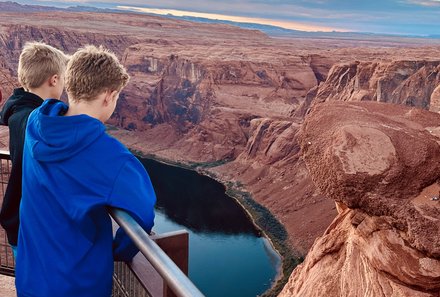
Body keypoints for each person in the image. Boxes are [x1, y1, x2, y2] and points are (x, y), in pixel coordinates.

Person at [15, 45, 156, 297]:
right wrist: (117, 251)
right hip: (78, 286)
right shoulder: (113, 157)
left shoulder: (36, 122)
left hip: (31, 277)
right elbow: (144, 214)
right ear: (109, 96)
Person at [0, 42, 69, 258]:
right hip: (34, 224)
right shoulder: (40, 121)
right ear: (54, 79)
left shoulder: (17, 111)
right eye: (63, 79)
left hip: (19, 220)